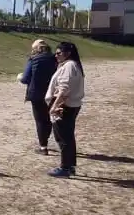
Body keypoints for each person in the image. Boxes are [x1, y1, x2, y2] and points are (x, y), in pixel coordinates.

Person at [45, 42, 85, 178]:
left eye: (58, 53)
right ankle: (70, 166)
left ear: (68, 53)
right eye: (55, 53)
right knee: (67, 136)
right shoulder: (73, 65)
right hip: (71, 105)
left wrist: (55, 106)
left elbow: (64, 89)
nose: (55, 55)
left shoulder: (69, 66)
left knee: (63, 138)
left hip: (65, 106)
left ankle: (65, 168)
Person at [20, 39, 58, 155]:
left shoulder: (33, 59)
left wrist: (20, 77)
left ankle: (43, 147)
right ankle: (52, 141)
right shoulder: (55, 59)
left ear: (35, 49)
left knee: (40, 120)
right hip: (53, 93)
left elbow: (25, 79)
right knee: (50, 119)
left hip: (37, 94)